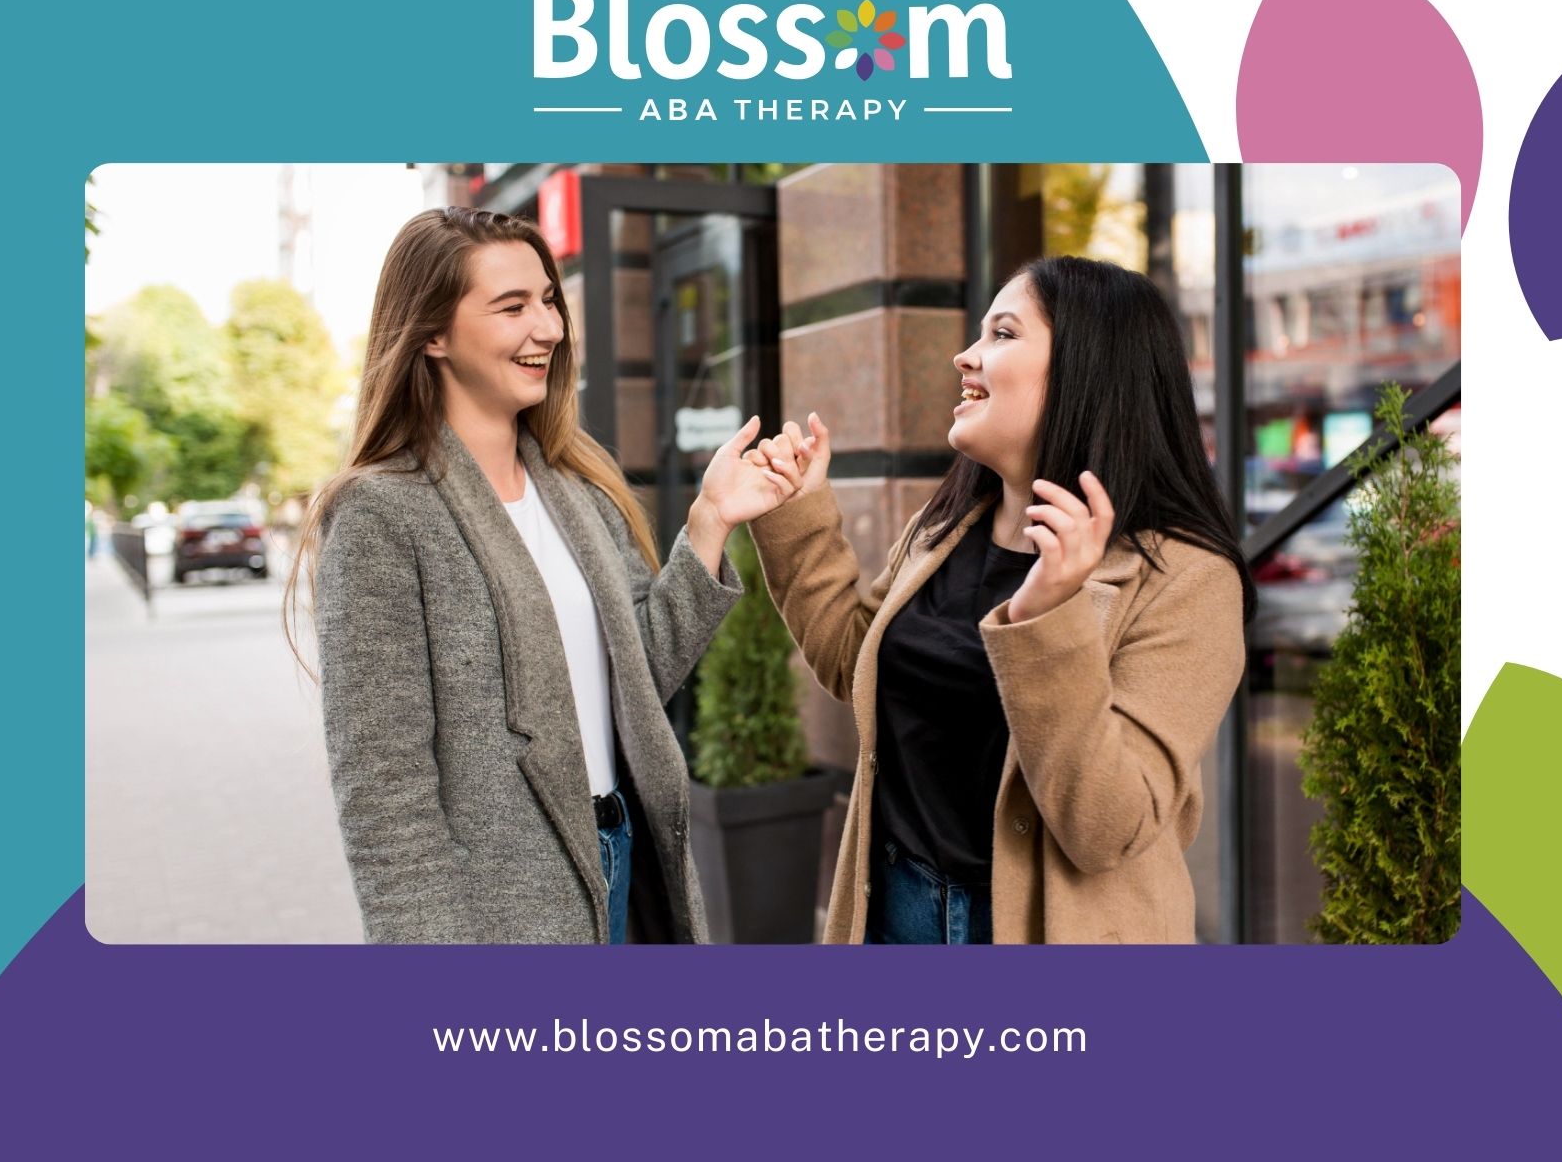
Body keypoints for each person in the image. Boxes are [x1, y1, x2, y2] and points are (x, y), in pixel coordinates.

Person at [285, 206, 797, 944]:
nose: (549, 327)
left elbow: (639, 678)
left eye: (549, 299)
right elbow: (383, 794)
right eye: (511, 306)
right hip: (500, 915)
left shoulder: (578, 486)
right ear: (432, 334)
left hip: (626, 860)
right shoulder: (381, 514)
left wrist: (711, 521)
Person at [744, 255, 1253, 944]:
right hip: (896, 912)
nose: (965, 355)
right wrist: (799, 516)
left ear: (1088, 368)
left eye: (1002, 334)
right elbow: (848, 660)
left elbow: (1107, 827)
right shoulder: (948, 529)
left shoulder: (1186, 577)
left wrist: (1047, 616)